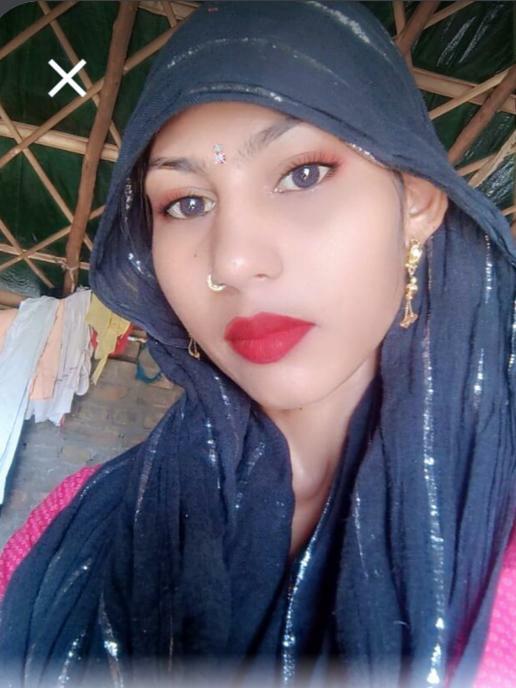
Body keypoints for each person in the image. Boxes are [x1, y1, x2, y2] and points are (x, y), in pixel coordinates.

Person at [0, 2, 514, 687]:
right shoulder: (71, 518)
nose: (234, 262)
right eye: (186, 204)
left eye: (303, 174)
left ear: (416, 200)